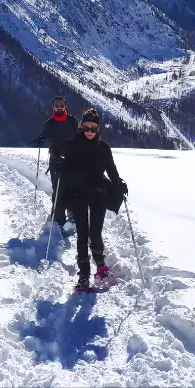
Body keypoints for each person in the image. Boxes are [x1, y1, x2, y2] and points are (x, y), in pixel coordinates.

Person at [59, 107, 129, 289]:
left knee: (95, 233)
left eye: (93, 129)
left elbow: (112, 171)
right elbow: (67, 169)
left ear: (98, 129)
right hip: (77, 194)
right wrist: (61, 166)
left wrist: (119, 183)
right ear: (81, 126)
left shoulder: (104, 148)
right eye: (86, 128)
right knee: (82, 234)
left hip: (98, 194)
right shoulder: (73, 145)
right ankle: (83, 274)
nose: (89, 132)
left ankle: (101, 265)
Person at [29, 96, 79, 226]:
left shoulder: (72, 121)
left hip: (72, 159)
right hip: (55, 160)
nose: (59, 107)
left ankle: (72, 212)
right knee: (58, 188)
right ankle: (58, 216)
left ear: (65, 106)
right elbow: (43, 135)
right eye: (57, 105)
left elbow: (79, 136)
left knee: (72, 186)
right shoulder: (50, 123)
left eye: (61, 105)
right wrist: (39, 140)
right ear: (53, 107)